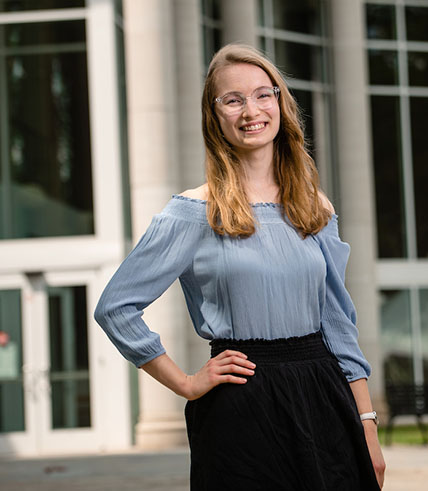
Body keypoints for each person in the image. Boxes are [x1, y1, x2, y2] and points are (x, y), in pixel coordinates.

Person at [94, 43, 385, 490]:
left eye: (262, 95)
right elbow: (116, 307)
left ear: (281, 104)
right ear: (215, 116)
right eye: (233, 99)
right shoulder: (191, 212)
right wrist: (186, 383)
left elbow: (337, 322)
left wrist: (366, 421)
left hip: (323, 395)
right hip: (241, 404)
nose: (251, 110)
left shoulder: (314, 207)